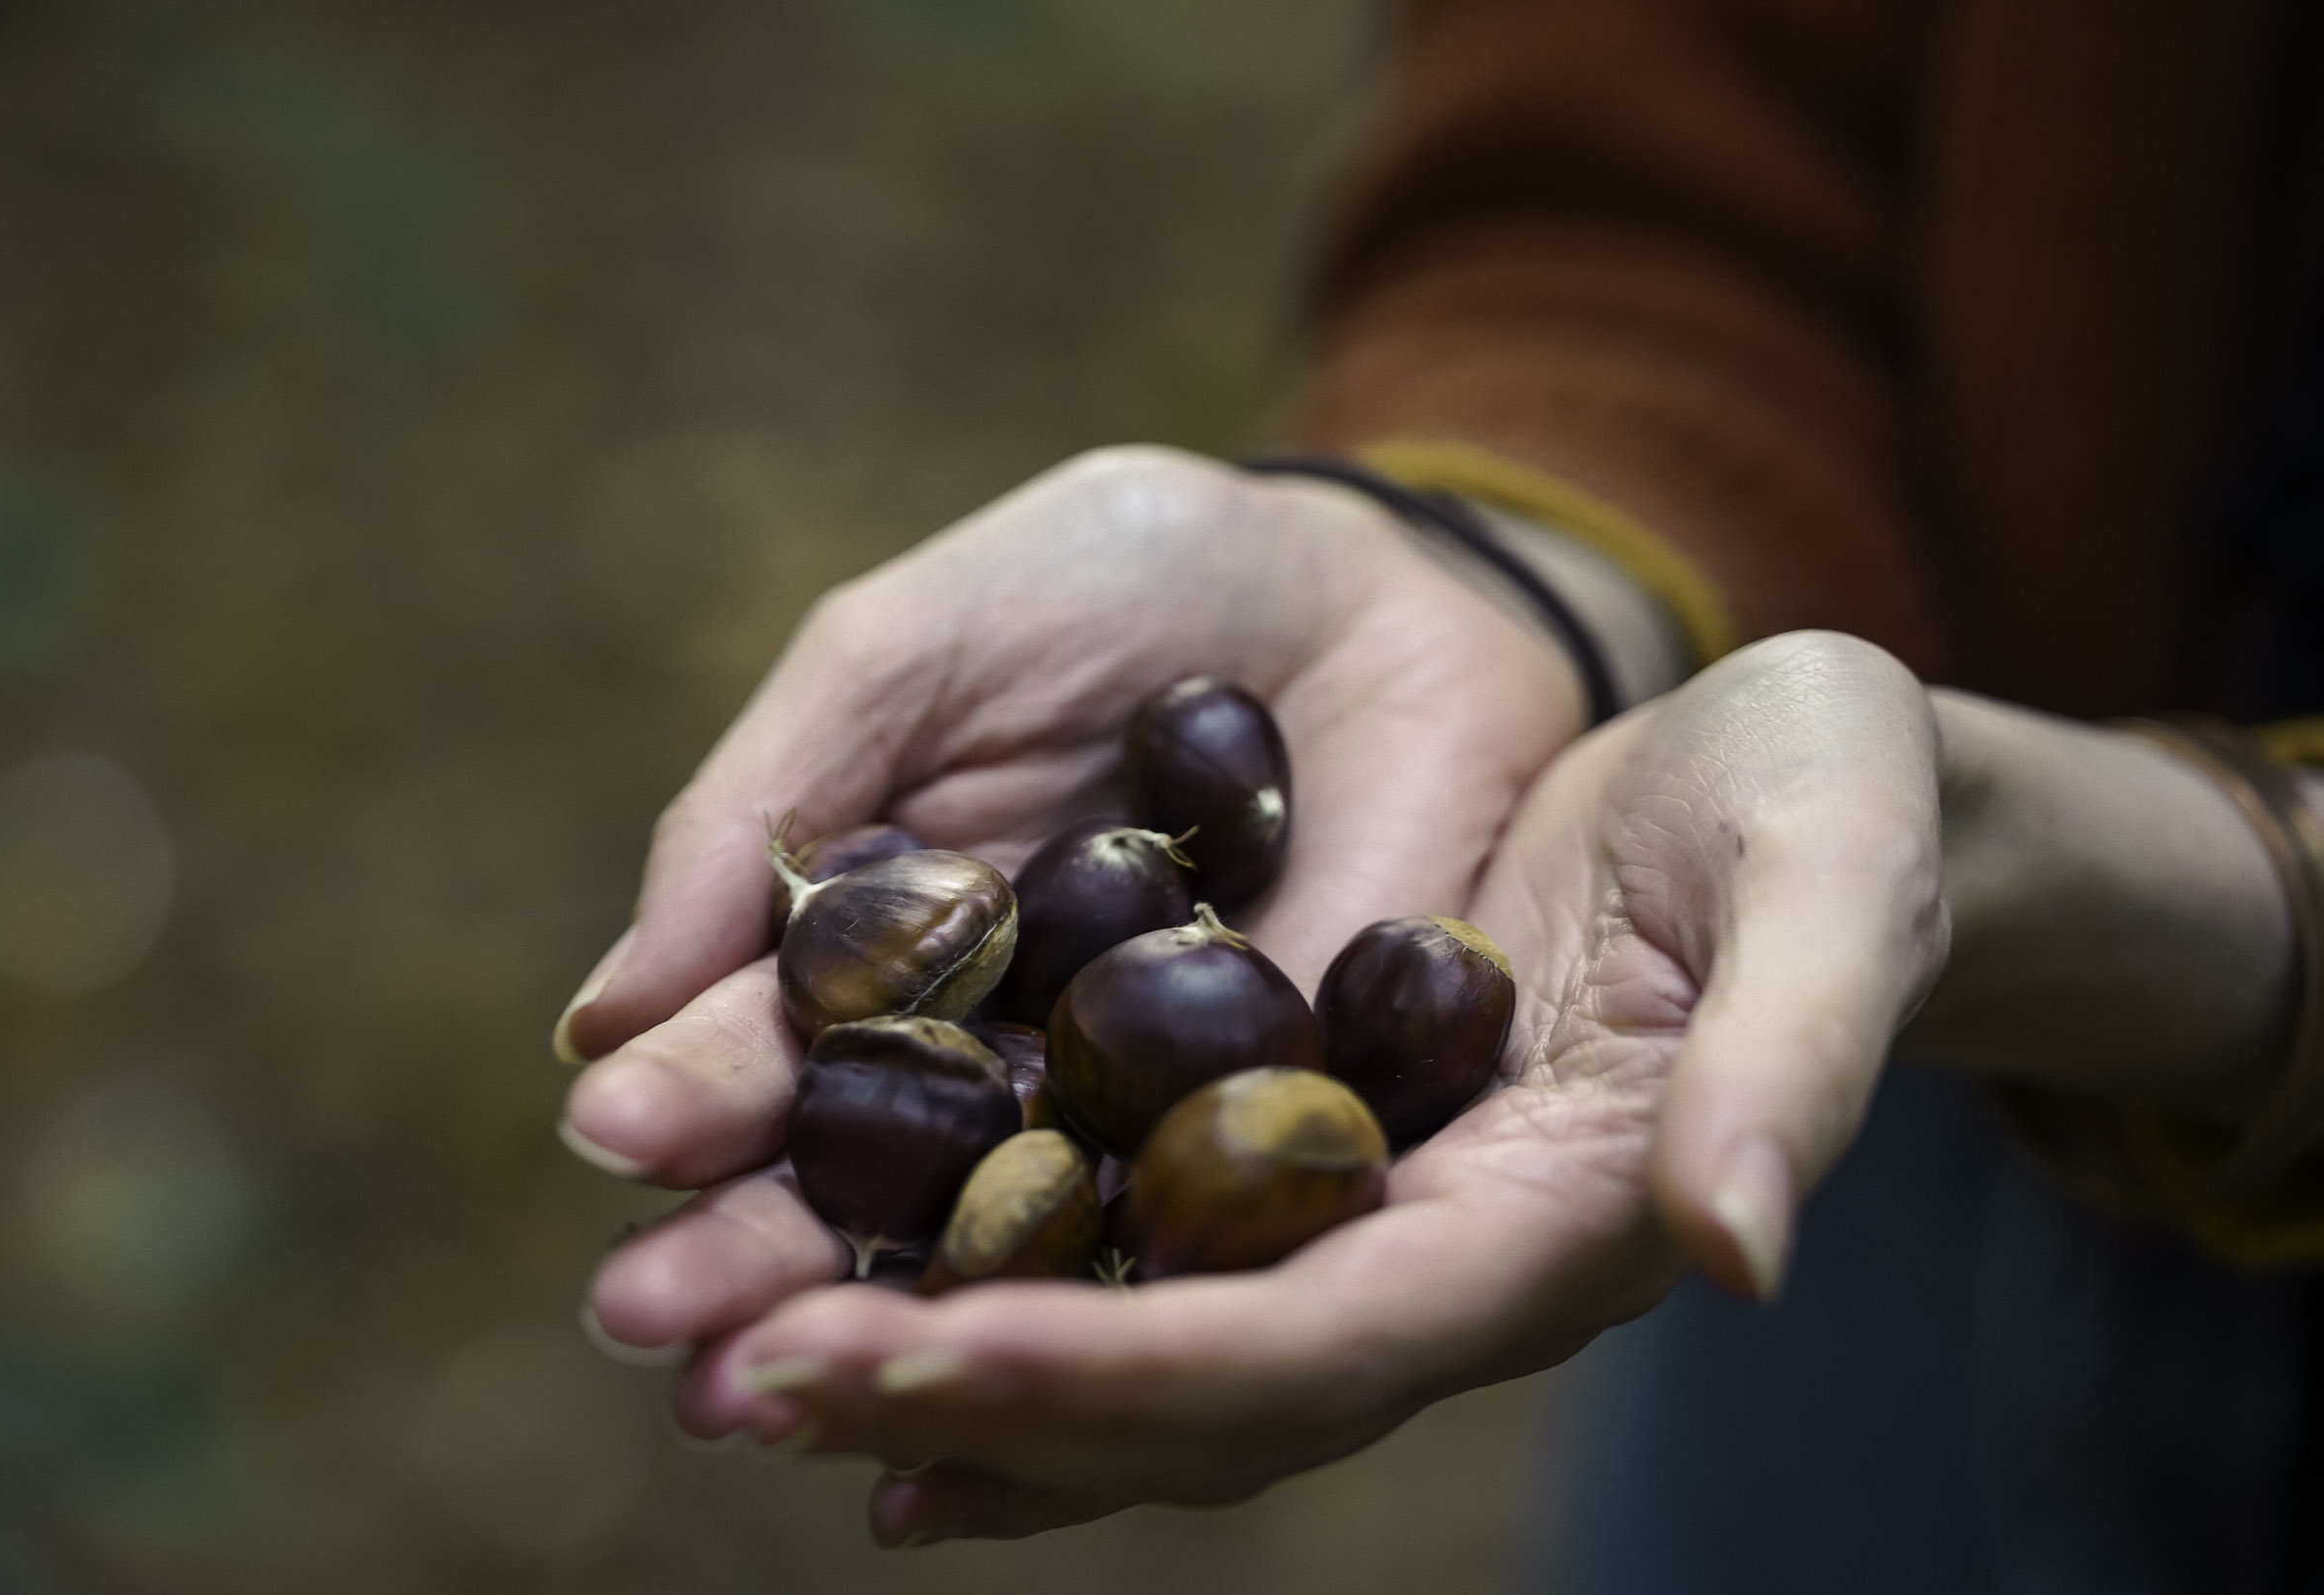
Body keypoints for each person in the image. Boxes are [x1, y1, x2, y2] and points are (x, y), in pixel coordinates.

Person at [550, 1, 2324, 1578]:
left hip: (1928, 963)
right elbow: (1671, 162)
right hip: (1854, 1048)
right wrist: (1518, 552)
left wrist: (2228, 905)